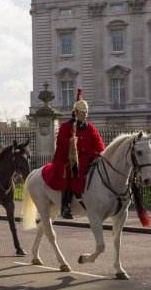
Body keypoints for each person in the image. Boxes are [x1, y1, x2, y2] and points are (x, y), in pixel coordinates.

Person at [41, 89, 105, 219]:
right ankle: (66, 205)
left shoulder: (90, 128)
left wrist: (97, 153)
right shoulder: (66, 126)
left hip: (88, 158)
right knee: (70, 172)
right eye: (82, 112)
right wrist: (71, 142)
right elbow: (60, 144)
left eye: (85, 112)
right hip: (71, 159)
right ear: (76, 113)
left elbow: (99, 145)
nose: (84, 115)